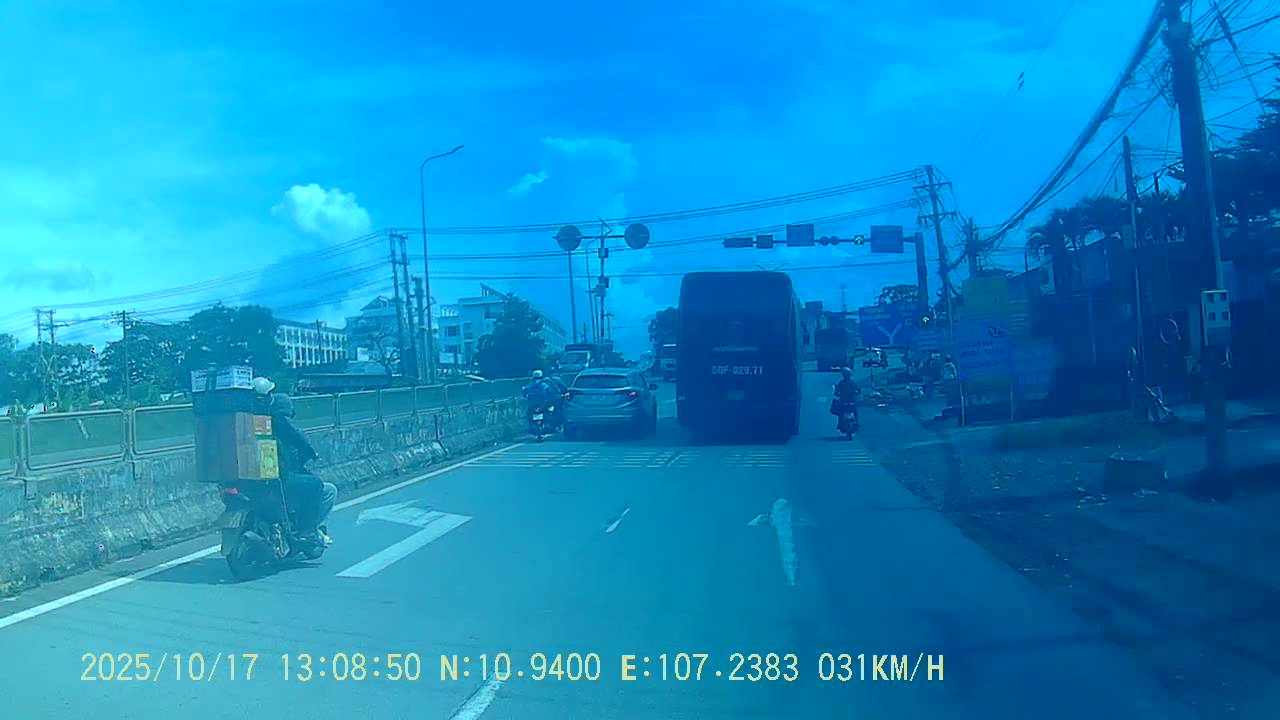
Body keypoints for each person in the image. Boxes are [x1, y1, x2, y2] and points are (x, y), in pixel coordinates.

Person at [252, 377, 336, 546]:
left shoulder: (244, 419)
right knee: (315, 485)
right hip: (274, 480)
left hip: (248, 481)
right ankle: (307, 531)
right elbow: (297, 438)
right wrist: (312, 453)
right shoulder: (275, 419)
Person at [832, 367, 860, 432]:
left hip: (845, 402)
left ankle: (842, 424)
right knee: (854, 410)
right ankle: (856, 422)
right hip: (849, 401)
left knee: (841, 412)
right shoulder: (852, 383)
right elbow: (858, 390)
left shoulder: (842, 383)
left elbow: (837, 392)